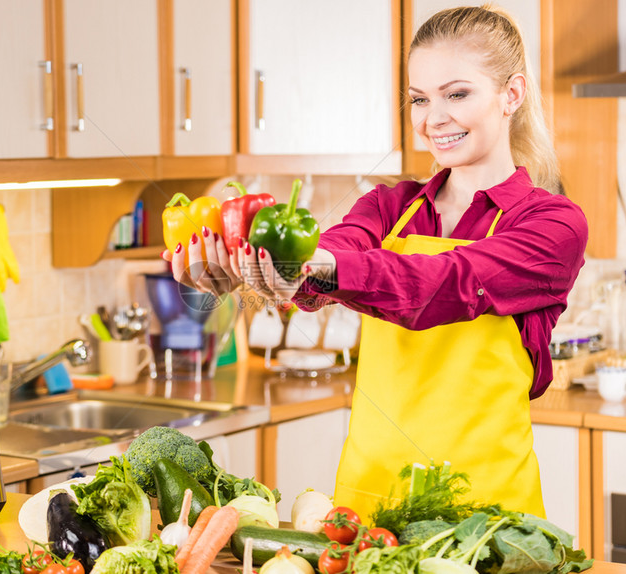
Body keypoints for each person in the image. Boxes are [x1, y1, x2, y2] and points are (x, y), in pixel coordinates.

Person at [162, 4, 587, 521]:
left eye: (457, 94)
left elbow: (450, 283)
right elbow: (327, 264)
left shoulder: (552, 225)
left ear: (511, 95)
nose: (434, 119)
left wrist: (318, 268)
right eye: (420, 99)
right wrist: (257, 270)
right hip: (366, 508)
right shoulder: (387, 207)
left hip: (486, 517)